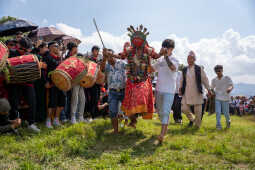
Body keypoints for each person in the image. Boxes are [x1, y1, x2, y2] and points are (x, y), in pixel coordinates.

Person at [120, 25, 161, 128]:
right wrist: (110, 55)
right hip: (131, 80)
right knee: (130, 102)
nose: (137, 43)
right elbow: (120, 56)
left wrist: (162, 52)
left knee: (140, 96)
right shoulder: (129, 50)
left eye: (139, 40)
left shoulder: (147, 50)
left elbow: (156, 56)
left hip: (143, 80)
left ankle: (138, 115)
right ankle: (133, 121)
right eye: (135, 40)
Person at [7, 37, 40, 133]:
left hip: (28, 83)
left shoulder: (30, 55)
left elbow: (37, 61)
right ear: (19, 46)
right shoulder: (11, 53)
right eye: (22, 48)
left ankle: (31, 123)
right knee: (14, 103)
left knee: (32, 101)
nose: (24, 51)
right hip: (15, 82)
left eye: (26, 49)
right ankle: (14, 125)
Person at [152, 39, 179, 144]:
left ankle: (162, 135)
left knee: (166, 111)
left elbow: (172, 68)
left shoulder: (175, 59)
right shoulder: (160, 60)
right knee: (159, 111)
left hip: (169, 90)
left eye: (166, 48)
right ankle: (164, 127)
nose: (164, 49)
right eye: (163, 47)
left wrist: (166, 57)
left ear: (171, 49)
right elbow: (151, 69)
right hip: (158, 90)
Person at [179, 51, 211, 128]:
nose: (189, 60)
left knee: (198, 111)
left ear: (194, 59)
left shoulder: (199, 68)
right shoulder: (184, 69)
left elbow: (205, 79)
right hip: (186, 92)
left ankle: (197, 125)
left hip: (197, 92)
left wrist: (209, 89)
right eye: (188, 58)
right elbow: (182, 80)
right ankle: (193, 119)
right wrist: (180, 88)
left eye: (191, 58)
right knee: (184, 108)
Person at [101, 49, 127, 133]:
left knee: (128, 109)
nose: (109, 58)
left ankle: (130, 122)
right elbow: (101, 68)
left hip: (124, 90)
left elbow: (131, 66)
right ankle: (116, 131)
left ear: (113, 55)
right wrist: (104, 58)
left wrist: (115, 55)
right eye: (107, 56)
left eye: (110, 56)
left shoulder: (121, 63)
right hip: (112, 91)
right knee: (112, 111)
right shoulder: (107, 65)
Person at [44, 41, 66, 128]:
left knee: (62, 102)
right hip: (52, 83)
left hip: (61, 83)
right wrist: (46, 82)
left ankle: (56, 119)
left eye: (58, 46)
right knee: (52, 102)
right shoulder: (47, 57)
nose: (58, 47)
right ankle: (48, 120)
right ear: (50, 48)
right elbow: (43, 71)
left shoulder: (59, 58)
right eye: (56, 46)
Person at [84, 45, 103, 121]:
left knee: (96, 98)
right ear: (92, 51)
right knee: (91, 99)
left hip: (98, 82)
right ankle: (89, 115)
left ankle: (95, 114)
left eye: (98, 50)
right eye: (96, 50)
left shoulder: (99, 60)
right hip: (90, 82)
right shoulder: (89, 59)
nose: (97, 52)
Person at [211, 65, 233, 130]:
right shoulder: (214, 79)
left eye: (219, 71)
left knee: (226, 112)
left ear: (222, 70)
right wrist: (211, 92)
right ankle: (218, 125)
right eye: (217, 71)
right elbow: (212, 88)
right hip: (217, 98)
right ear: (215, 72)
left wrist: (229, 89)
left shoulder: (227, 78)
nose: (218, 72)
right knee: (218, 112)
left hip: (225, 98)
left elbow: (231, 85)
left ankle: (228, 121)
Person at [34, 42, 48, 122]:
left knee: (43, 100)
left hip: (43, 82)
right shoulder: (36, 56)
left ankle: (42, 117)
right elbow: (41, 68)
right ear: (40, 48)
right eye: (45, 47)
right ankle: (39, 118)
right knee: (39, 100)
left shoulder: (44, 56)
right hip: (38, 82)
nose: (46, 49)